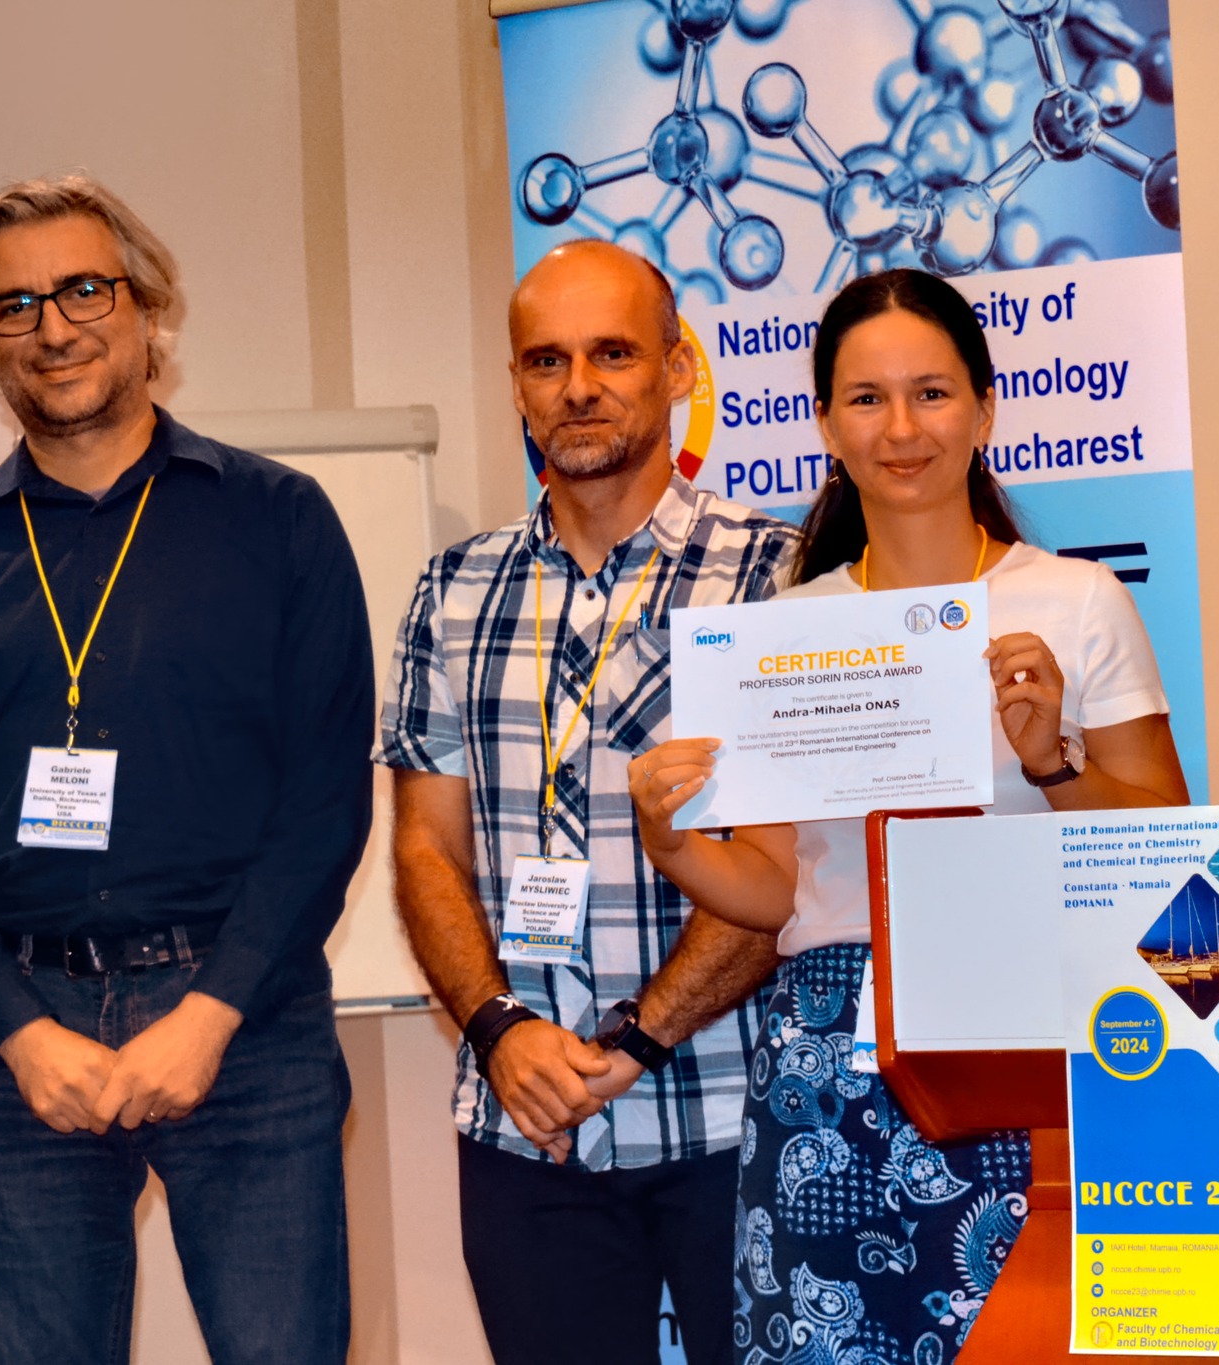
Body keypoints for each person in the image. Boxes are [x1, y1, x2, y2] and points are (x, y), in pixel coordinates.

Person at [628, 268, 1191, 1358]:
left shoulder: (1076, 600)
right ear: (824, 425)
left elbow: (1164, 849)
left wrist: (1053, 763)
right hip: (826, 1064)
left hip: (1033, 1038)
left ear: (985, 409)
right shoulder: (786, 628)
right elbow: (777, 888)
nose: (901, 429)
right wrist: (672, 839)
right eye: (866, 398)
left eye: (931, 393)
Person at [0, 176, 374, 1363]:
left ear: (148, 305)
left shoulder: (280, 521)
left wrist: (209, 1014)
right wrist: (15, 1032)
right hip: (16, 1041)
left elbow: (322, 801)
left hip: (246, 1028)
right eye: (13, 306)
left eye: (84, 290)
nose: (53, 327)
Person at [377, 239, 798, 1365]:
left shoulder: (774, 578)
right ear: (516, 383)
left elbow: (791, 865)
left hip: (733, 1116)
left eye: (613, 353)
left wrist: (631, 1043)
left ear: (675, 367)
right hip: (522, 1132)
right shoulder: (451, 590)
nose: (578, 386)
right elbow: (424, 849)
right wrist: (500, 1032)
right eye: (546, 360)